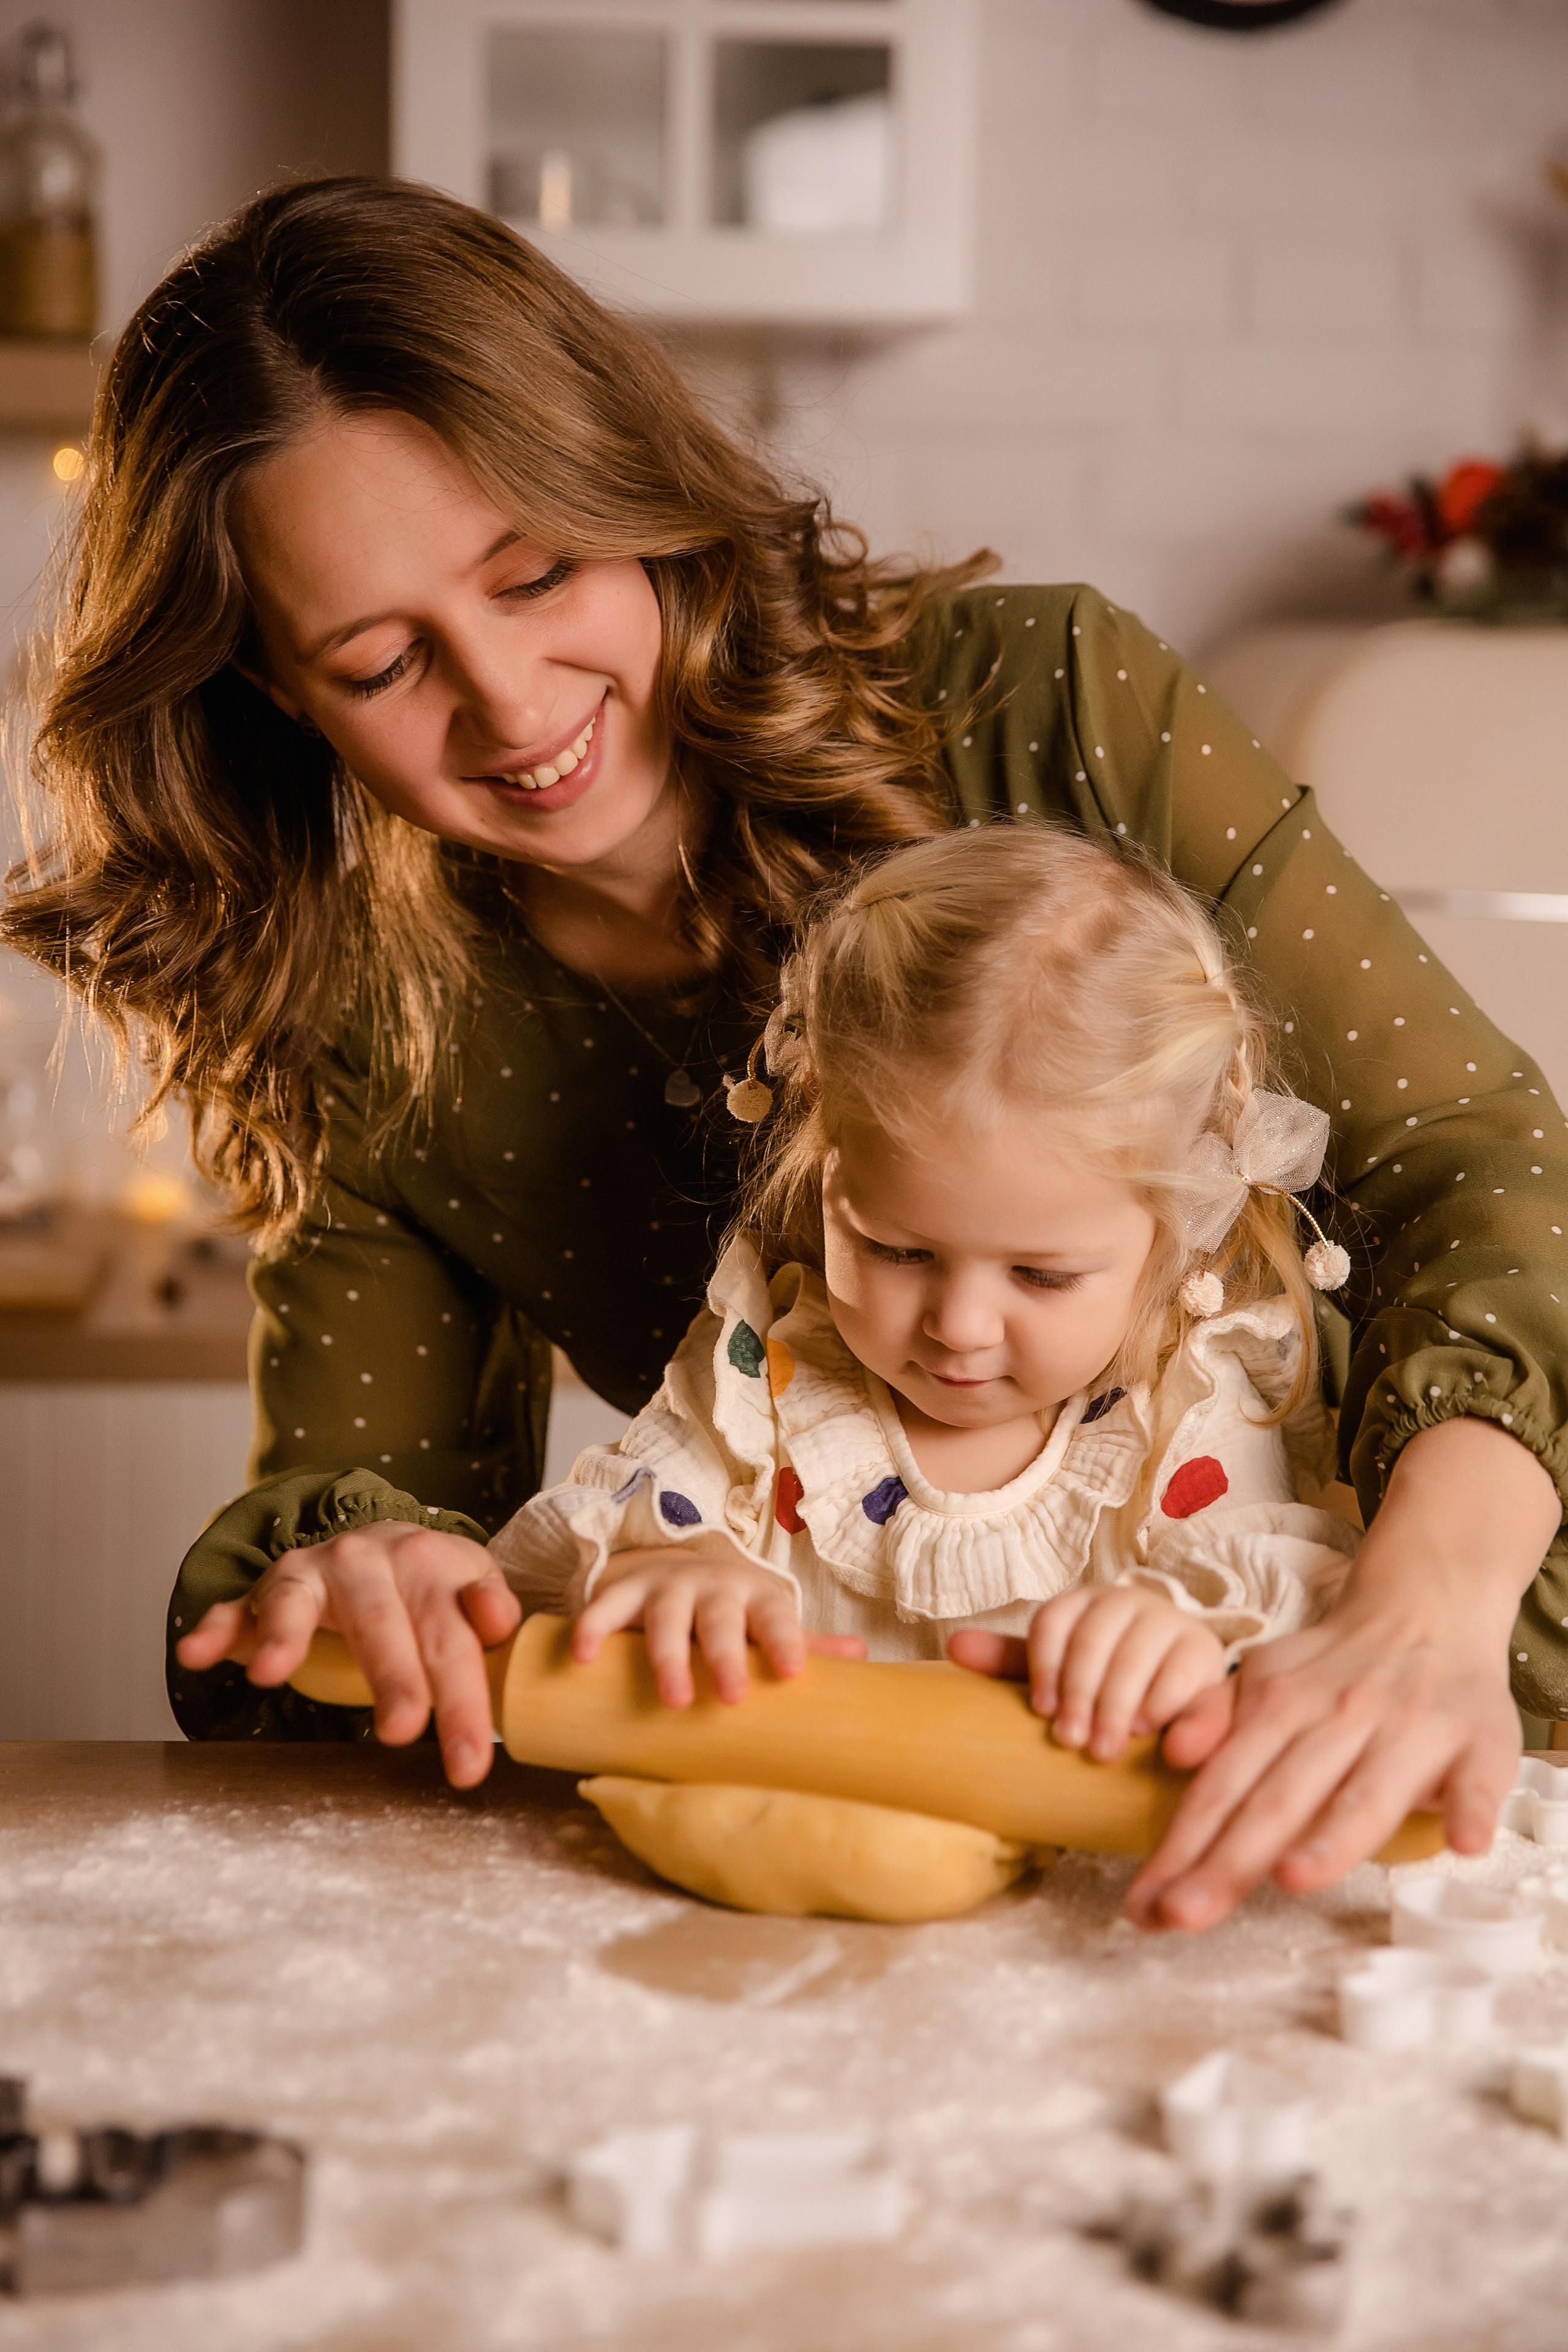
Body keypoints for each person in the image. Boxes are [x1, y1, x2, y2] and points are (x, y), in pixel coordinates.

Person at [3, 176, 1562, 1934]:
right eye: (379, 661)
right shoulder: (379, 1017)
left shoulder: (1048, 703)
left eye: (540, 574)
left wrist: (1418, 1613)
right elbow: (395, 1564)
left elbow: (1491, 1170)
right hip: (876, 1818)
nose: (513, 706)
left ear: (640, 498)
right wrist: (377, 1580)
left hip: (1373, 1709)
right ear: (276, 687)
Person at [490, 826, 1363, 1790]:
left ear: (1173, 1234)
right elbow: (579, 1546)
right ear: (831, 1190)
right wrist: (663, 1569)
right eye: (898, 1250)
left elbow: (1293, 1606)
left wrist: (1188, 1638)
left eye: (1041, 1276)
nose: (962, 1325)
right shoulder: (765, 1375)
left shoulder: (1192, 1404)